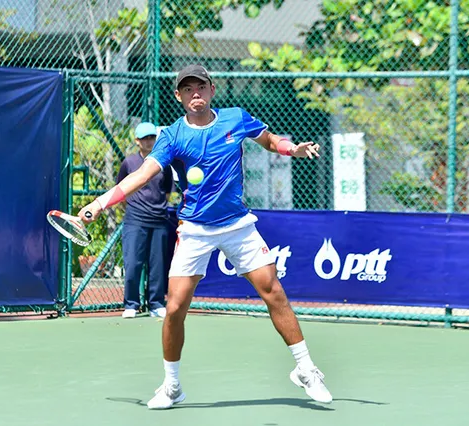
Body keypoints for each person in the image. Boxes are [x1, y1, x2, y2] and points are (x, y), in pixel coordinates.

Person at [79, 64, 332, 409]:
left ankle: (306, 369)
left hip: (237, 224)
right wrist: (101, 202)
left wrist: (292, 149)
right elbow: (142, 175)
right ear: (179, 96)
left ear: (212, 90)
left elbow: (271, 141)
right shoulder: (171, 136)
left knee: (273, 291)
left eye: (200, 86)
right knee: (174, 307)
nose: (194, 93)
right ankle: (171, 387)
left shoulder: (235, 119)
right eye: (187, 89)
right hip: (195, 230)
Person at [116, 122, 174, 319]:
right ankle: (131, 304)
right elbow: (121, 191)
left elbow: (166, 192)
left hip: (159, 221)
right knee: (133, 263)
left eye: (152, 138)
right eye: (145, 138)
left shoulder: (163, 164)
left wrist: (156, 209)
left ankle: (156, 304)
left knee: (157, 266)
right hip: (135, 221)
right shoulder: (129, 163)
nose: (149, 142)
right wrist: (135, 209)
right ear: (137, 141)